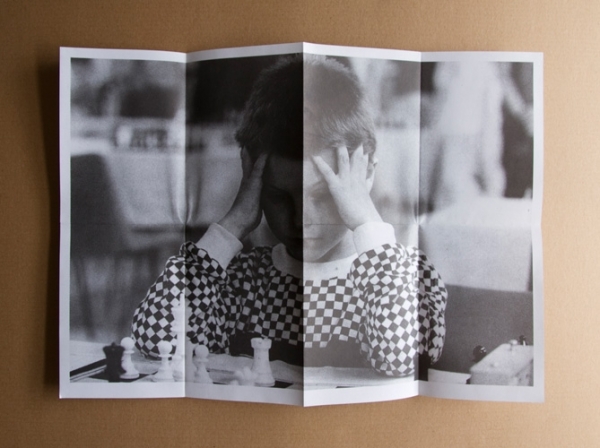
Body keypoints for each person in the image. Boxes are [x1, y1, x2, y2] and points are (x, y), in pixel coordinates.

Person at [132, 55, 447, 378]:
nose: (301, 220)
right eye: (280, 197)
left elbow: (403, 358)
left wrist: (368, 223)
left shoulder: (408, 277)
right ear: (255, 186)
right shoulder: (239, 280)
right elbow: (156, 341)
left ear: (365, 173)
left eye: (324, 196)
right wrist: (232, 225)